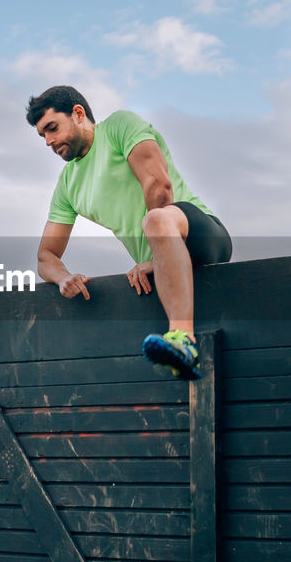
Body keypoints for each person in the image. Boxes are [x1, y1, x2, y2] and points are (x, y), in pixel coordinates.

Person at [26, 85, 231, 380]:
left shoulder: (120, 126)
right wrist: (63, 278)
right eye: (42, 136)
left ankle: (183, 340)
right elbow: (45, 256)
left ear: (78, 114)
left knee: (156, 220)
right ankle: (178, 357)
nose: (48, 141)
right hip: (161, 271)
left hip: (201, 237)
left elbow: (159, 185)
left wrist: (155, 261)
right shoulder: (68, 185)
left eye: (52, 128)